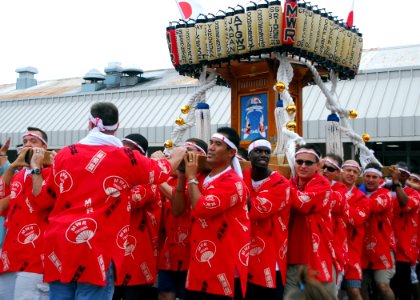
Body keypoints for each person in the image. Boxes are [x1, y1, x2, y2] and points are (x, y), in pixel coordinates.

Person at [38, 102, 186, 300]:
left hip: (60, 241)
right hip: (95, 246)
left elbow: (45, 197)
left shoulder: (64, 153)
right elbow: (159, 171)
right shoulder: (123, 157)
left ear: (89, 124)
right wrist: (177, 155)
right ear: (116, 126)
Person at [183, 127, 250, 300]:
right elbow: (178, 208)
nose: (211, 147)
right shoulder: (203, 177)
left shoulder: (233, 182)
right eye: (211, 143)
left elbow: (201, 208)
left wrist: (190, 177)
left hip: (223, 266)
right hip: (200, 262)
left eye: (218, 144)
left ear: (231, 152)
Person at [0, 128, 51, 299]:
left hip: (36, 260)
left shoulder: (51, 172)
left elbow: (42, 200)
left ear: (44, 147)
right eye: (25, 141)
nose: (28, 144)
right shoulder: (17, 175)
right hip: (10, 258)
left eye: (34, 141)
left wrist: (36, 167)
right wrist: (13, 166)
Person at [157, 138, 208, 300]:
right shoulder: (171, 178)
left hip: (193, 252)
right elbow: (177, 209)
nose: (183, 155)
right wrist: (179, 175)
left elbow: (181, 203)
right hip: (169, 252)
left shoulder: (204, 179)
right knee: (165, 295)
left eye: (189, 151)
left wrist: (154, 170)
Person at [113, 133, 160, 300]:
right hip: (111, 258)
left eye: (128, 151)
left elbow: (128, 202)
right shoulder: (114, 179)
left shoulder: (148, 182)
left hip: (136, 261)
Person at [242, 138, 291, 300]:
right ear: (249, 155)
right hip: (243, 254)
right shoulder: (243, 177)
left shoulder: (281, 183)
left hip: (270, 258)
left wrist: (235, 183)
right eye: (258, 151)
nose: (263, 155)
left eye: (266, 152)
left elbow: (259, 209)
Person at [285, 144, 336, 299]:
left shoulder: (322, 184)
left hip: (317, 256)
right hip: (292, 255)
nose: (303, 166)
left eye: (308, 163)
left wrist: (281, 183)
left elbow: (304, 204)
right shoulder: (290, 183)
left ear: (318, 165)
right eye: (299, 162)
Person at [360, 162, 395, 300]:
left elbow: (372, 206)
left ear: (380, 179)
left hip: (382, 247)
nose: (370, 180)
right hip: (361, 248)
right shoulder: (359, 192)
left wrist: (353, 196)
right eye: (367, 176)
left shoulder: (385, 194)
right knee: (360, 287)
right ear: (363, 177)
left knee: (382, 286)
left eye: (374, 177)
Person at [388, 162, 420, 300]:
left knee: (404, 287)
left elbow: (405, 204)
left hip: (404, 248)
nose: (399, 175)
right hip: (383, 246)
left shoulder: (414, 194)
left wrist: (396, 182)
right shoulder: (383, 189)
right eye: (396, 172)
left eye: (402, 173)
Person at [319, 153, 348, 295]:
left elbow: (327, 201)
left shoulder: (340, 189)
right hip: (310, 251)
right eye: (322, 166)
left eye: (330, 169)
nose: (324, 170)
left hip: (333, 252)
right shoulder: (305, 183)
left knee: (329, 295)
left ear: (337, 173)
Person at [340, 160, 369, 300]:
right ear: (341, 171)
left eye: (355, 172)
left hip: (352, 249)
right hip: (332, 248)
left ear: (358, 176)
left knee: (354, 290)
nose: (351, 174)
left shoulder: (362, 197)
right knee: (333, 292)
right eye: (348, 170)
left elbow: (357, 219)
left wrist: (338, 204)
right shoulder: (330, 190)